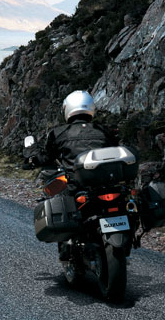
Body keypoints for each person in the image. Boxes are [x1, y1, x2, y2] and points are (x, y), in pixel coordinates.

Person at [24, 90, 120, 260]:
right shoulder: (104, 131)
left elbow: (46, 157)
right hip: (107, 183)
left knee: (62, 201)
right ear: (91, 108)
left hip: (77, 185)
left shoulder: (59, 132)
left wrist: (32, 158)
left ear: (67, 109)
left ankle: (69, 245)